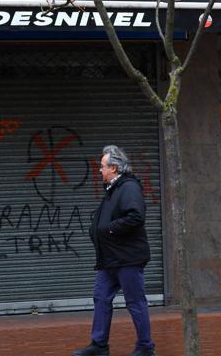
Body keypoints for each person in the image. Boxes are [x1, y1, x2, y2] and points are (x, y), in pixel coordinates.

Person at [73, 145, 156, 356]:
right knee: (101, 298)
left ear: (114, 167)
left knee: (135, 302)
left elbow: (136, 217)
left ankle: (145, 347)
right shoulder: (113, 190)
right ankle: (99, 345)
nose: (99, 170)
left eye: (102, 166)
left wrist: (109, 229)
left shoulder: (129, 188)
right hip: (110, 259)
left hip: (127, 258)